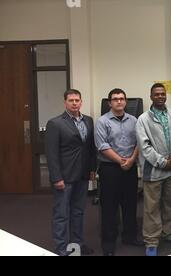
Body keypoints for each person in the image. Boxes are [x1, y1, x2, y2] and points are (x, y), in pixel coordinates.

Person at [136, 83, 171, 257]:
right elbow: (144, 146)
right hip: (154, 170)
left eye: (162, 94)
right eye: (156, 94)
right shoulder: (143, 119)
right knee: (152, 208)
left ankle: (169, 233)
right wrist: (163, 162)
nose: (160, 96)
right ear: (151, 96)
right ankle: (151, 241)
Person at [45, 89, 97, 256]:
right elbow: (51, 154)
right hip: (64, 177)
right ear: (65, 102)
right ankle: (61, 249)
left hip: (82, 175)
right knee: (61, 215)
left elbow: (90, 148)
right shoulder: (55, 123)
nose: (74, 103)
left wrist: (92, 169)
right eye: (71, 100)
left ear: (81, 102)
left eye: (77, 100)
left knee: (78, 212)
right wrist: (56, 177)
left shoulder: (88, 121)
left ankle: (77, 245)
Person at [94, 88, 142, 256]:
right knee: (109, 207)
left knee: (130, 204)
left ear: (126, 101)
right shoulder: (102, 121)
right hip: (110, 169)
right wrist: (121, 161)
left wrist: (131, 160)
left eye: (122, 98)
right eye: (115, 99)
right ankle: (108, 243)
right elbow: (102, 146)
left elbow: (139, 142)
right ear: (110, 103)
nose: (119, 101)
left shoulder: (134, 120)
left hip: (130, 168)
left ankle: (129, 236)